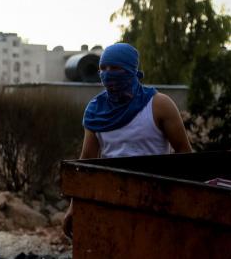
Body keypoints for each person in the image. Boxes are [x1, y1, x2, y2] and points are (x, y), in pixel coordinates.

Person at [62, 42, 191, 236]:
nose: (108, 74)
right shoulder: (95, 110)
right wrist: (74, 205)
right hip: (112, 200)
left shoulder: (159, 105)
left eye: (115, 68)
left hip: (155, 201)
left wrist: (180, 201)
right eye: (103, 68)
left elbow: (184, 153)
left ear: (131, 70)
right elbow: (87, 161)